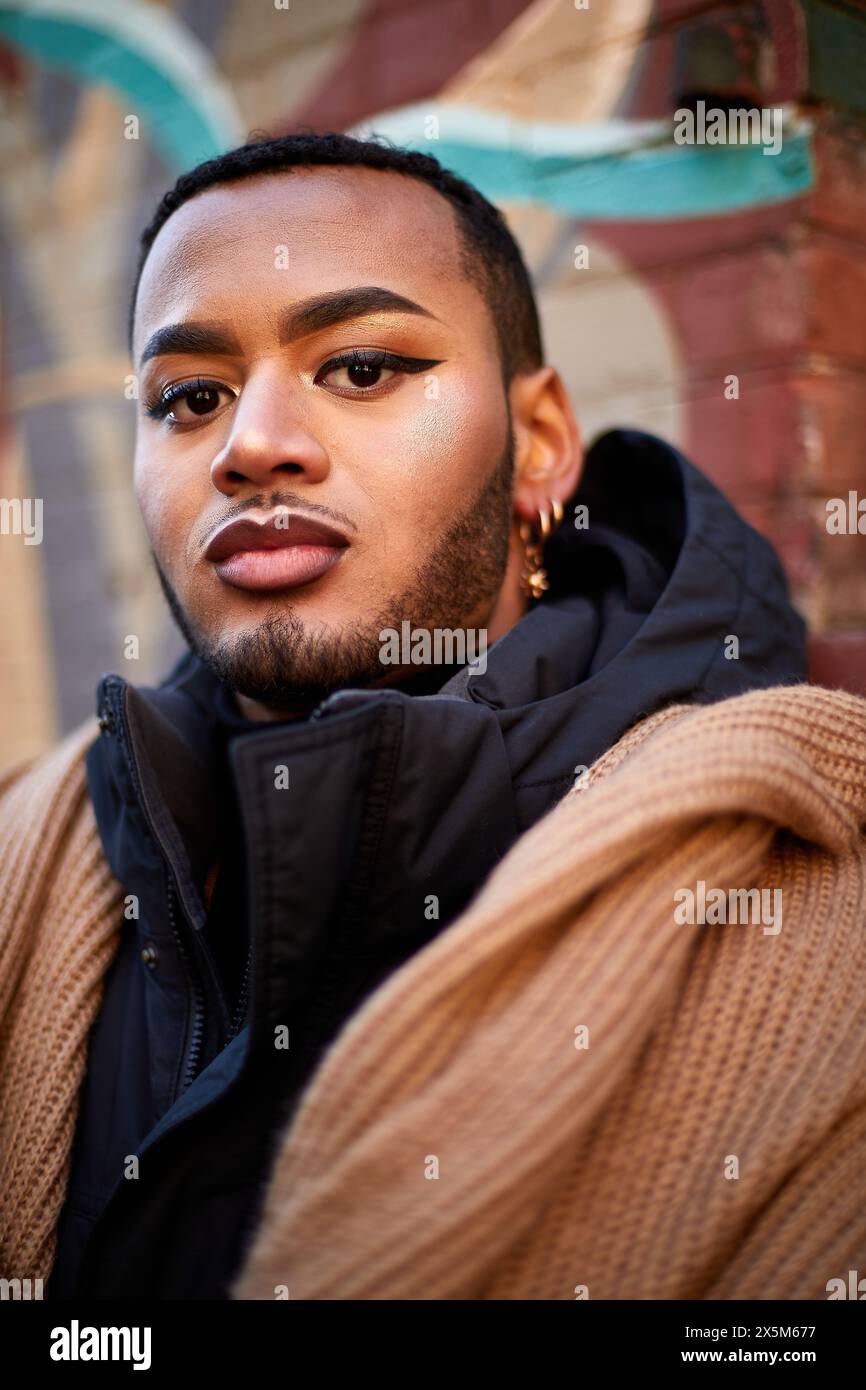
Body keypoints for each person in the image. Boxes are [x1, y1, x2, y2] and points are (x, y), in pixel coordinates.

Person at [2, 131, 865, 1302]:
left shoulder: (812, 906)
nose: (253, 445)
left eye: (360, 367)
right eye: (189, 397)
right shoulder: (37, 848)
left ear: (540, 445)